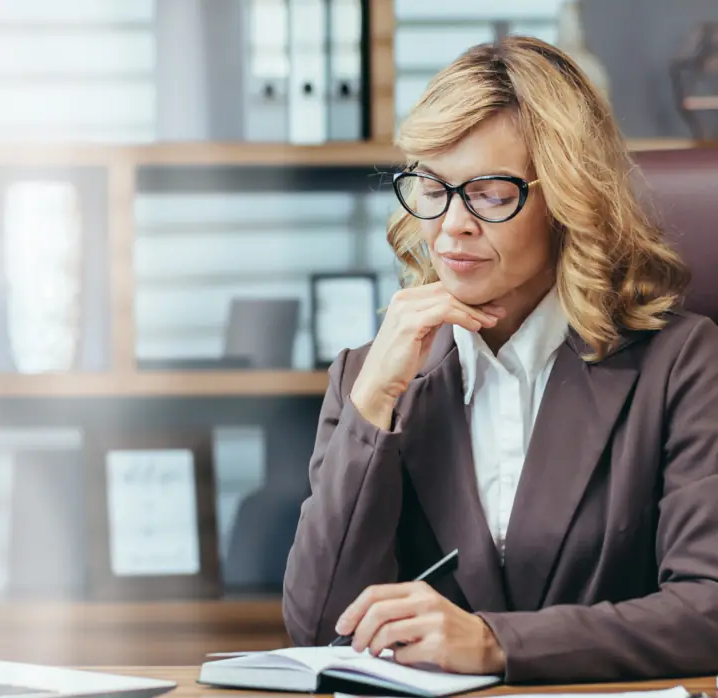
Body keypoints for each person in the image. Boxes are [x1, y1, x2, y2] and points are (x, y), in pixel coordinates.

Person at [282, 35, 718, 683]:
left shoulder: (681, 364)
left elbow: (707, 610)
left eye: (488, 192)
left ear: (570, 202)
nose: (451, 225)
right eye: (432, 186)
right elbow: (321, 628)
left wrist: (497, 642)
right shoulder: (369, 375)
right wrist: (371, 407)